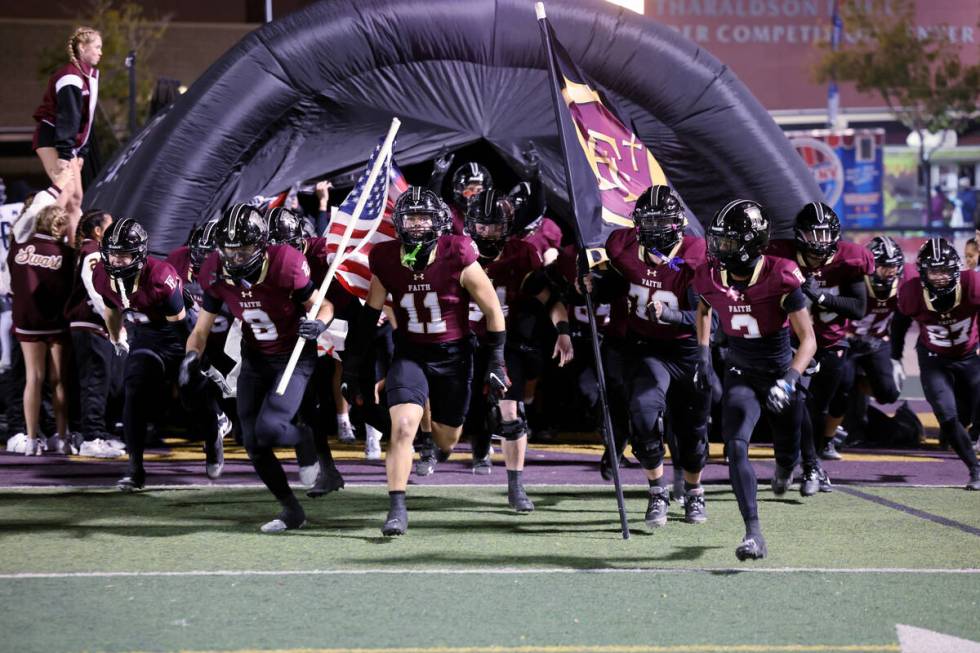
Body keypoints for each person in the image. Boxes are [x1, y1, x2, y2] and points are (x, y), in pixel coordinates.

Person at [342, 186, 507, 536]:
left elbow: (493, 309)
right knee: (403, 426)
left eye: (424, 218)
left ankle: (438, 438)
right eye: (411, 218)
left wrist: (495, 361)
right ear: (399, 222)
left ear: (440, 222)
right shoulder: (386, 258)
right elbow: (370, 316)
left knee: (448, 441)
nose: (417, 226)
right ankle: (397, 507)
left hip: (454, 355)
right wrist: (353, 365)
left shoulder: (458, 252)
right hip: (411, 352)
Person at [186, 203, 336, 532]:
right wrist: (191, 357)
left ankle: (305, 439)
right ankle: (291, 510)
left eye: (243, 250)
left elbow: (324, 306)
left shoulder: (285, 264)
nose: (235, 258)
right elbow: (200, 330)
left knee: (269, 428)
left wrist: (319, 325)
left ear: (262, 245)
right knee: (250, 440)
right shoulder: (214, 269)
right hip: (254, 356)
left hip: (292, 356)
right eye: (230, 250)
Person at [694, 199, 816, 560]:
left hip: (779, 372)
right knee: (734, 446)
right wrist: (703, 356)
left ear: (750, 244)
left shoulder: (781, 274)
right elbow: (703, 307)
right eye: (717, 241)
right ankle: (753, 532)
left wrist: (791, 380)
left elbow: (808, 339)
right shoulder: (711, 275)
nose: (718, 249)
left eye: (728, 243)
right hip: (740, 371)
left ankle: (786, 467)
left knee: (787, 452)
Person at [597, 185, 710, 526]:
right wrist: (593, 281)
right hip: (647, 348)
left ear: (678, 223)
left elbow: (712, 315)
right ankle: (657, 491)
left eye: (662, 220)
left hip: (688, 350)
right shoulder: (623, 245)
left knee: (692, 434)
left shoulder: (696, 255)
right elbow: (615, 284)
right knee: (644, 416)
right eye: (648, 221)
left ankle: (693, 492)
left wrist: (674, 316)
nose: (655, 228)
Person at [458, 189, 571, 512]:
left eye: (496, 226)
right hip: (464, 340)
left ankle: (515, 486)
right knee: (470, 413)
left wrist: (563, 332)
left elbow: (547, 297)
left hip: (504, 343)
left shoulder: (521, 253)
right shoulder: (459, 250)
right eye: (483, 225)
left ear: (508, 225)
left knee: (511, 415)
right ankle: (469, 443)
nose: (489, 232)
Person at [94, 218, 219, 490]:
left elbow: (183, 327)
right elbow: (111, 310)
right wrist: (117, 338)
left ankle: (212, 436)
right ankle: (134, 469)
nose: (115, 261)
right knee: (134, 388)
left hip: (177, 335)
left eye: (123, 255)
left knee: (190, 396)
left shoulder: (161, 277)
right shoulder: (102, 275)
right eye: (112, 254)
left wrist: (193, 362)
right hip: (146, 336)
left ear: (139, 254)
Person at [768, 203, 873, 492]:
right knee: (797, 404)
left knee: (816, 409)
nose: (820, 243)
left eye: (826, 236)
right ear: (799, 236)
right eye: (814, 236)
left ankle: (807, 462)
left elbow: (859, 308)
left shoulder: (850, 259)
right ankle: (810, 466)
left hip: (830, 343)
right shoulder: (779, 254)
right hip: (793, 342)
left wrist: (823, 298)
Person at [891, 238, 980, 491]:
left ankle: (970, 434)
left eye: (945, 270)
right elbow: (899, 323)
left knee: (973, 409)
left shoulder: (972, 283)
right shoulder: (911, 292)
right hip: (934, 358)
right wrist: (895, 357)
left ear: (957, 269)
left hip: (969, 355)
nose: (940, 277)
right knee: (947, 416)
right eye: (934, 270)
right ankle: (974, 469)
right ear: (922, 272)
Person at [830, 236, 910, 444]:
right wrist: (847, 336)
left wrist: (895, 355)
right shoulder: (854, 279)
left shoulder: (905, 282)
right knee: (840, 387)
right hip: (847, 340)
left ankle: (860, 386)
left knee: (889, 392)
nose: (890, 271)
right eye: (884, 266)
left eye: (893, 266)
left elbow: (906, 317)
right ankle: (837, 427)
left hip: (877, 341)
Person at [8, 204, 75, 455]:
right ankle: (62, 437)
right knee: (58, 380)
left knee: (33, 378)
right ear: (58, 225)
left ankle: (32, 439)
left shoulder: (17, 247)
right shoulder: (65, 253)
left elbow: (14, 282)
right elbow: (68, 289)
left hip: (26, 319)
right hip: (56, 321)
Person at [63, 208, 123, 457]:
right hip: (90, 324)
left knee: (100, 382)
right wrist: (114, 324)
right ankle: (91, 437)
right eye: (110, 226)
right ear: (98, 231)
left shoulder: (91, 251)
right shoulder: (94, 252)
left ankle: (94, 432)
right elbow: (95, 289)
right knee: (96, 383)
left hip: (90, 326)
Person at [32, 27, 102, 238]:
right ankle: (41, 243)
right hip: (52, 138)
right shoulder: (70, 76)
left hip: (67, 143)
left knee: (76, 198)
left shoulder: (88, 75)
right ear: (82, 47)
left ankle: (75, 250)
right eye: (97, 47)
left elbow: (86, 120)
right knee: (65, 192)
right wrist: (64, 154)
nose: (101, 52)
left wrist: (80, 153)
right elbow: (67, 117)